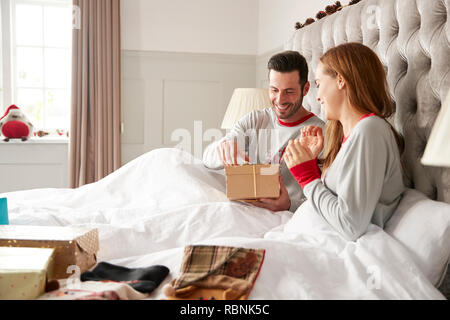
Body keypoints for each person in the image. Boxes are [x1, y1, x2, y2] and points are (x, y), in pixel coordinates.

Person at [284, 42, 406, 241]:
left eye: (318, 84)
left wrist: (307, 178)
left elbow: (351, 224)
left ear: (340, 80)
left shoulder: (370, 130)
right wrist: (314, 165)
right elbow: (335, 201)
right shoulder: (349, 134)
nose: (318, 97)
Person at [203, 51, 325, 212]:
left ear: (306, 89)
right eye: (274, 90)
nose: (280, 100)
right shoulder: (255, 120)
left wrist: (290, 205)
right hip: (244, 209)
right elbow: (207, 159)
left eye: (289, 92)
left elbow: (326, 198)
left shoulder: (321, 134)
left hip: (287, 216)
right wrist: (224, 147)